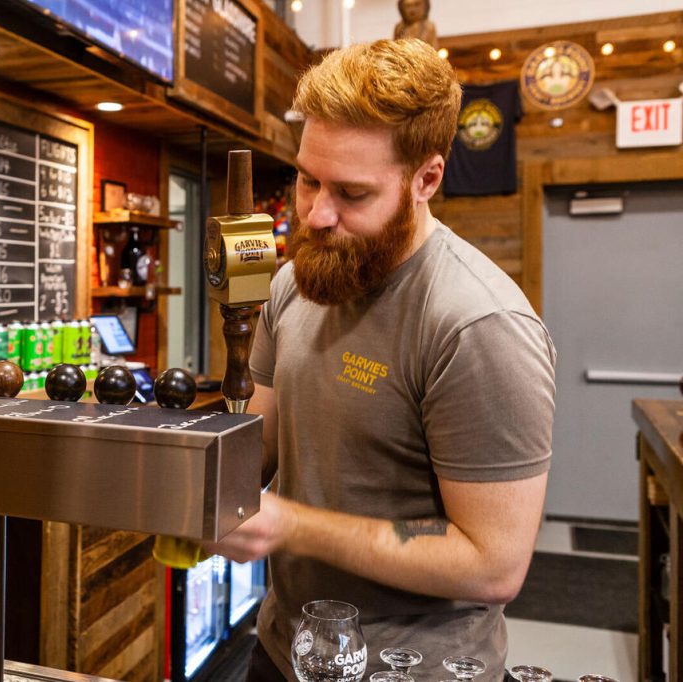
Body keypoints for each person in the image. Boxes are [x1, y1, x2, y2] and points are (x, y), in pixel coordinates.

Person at [204, 39, 556, 682]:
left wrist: (291, 525)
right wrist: (175, 471)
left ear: (427, 178)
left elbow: (493, 563)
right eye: (308, 179)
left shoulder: (476, 324)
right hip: (285, 650)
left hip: (414, 669)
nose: (316, 213)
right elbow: (259, 444)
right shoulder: (292, 285)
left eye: (353, 192)